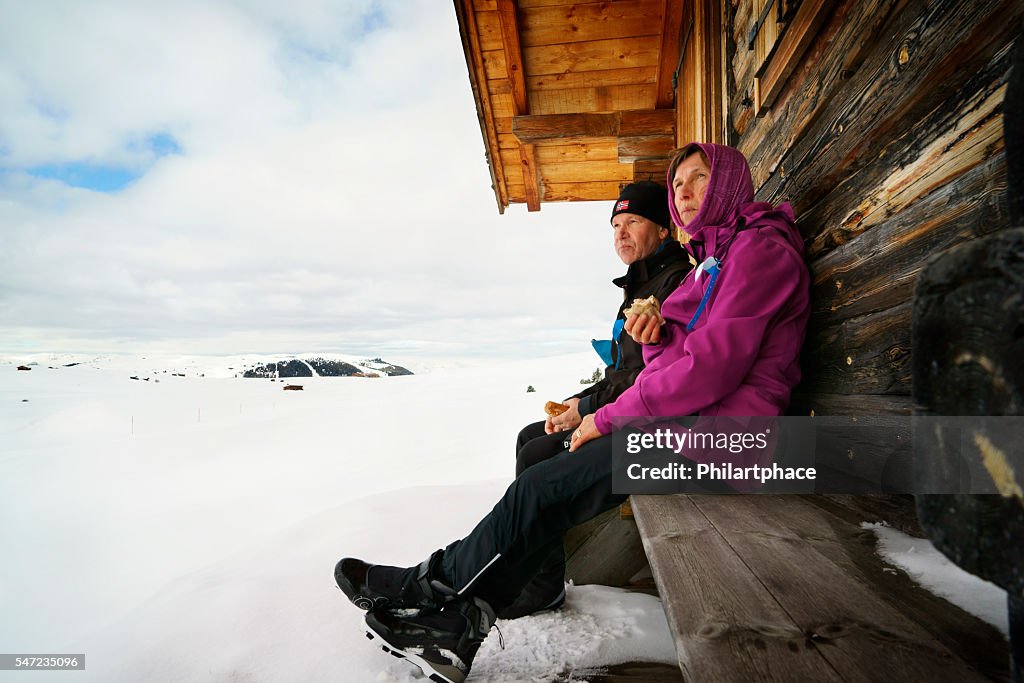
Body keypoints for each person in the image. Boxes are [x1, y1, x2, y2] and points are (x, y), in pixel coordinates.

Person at [334, 142, 811, 683]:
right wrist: (650, 340)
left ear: (727, 183)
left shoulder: (758, 252)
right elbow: (665, 366)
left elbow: (708, 372)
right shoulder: (714, 262)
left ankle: (436, 595)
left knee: (540, 488)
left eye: (699, 179)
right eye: (678, 184)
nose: (684, 191)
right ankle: (454, 617)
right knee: (544, 486)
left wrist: (603, 417)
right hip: (696, 430)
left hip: (730, 445)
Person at [502, 180, 691, 620]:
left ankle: (543, 585)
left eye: (633, 221)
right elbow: (620, 372)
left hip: (661, 429)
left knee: (536, 455)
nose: (620, 233)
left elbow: (652, 378)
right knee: (529, 436)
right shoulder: (642, 285)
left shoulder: (674, 285)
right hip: (627, 407)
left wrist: (586, 411)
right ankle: (533, 570)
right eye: (615, 225)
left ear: (664, 229)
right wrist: (579, 399)